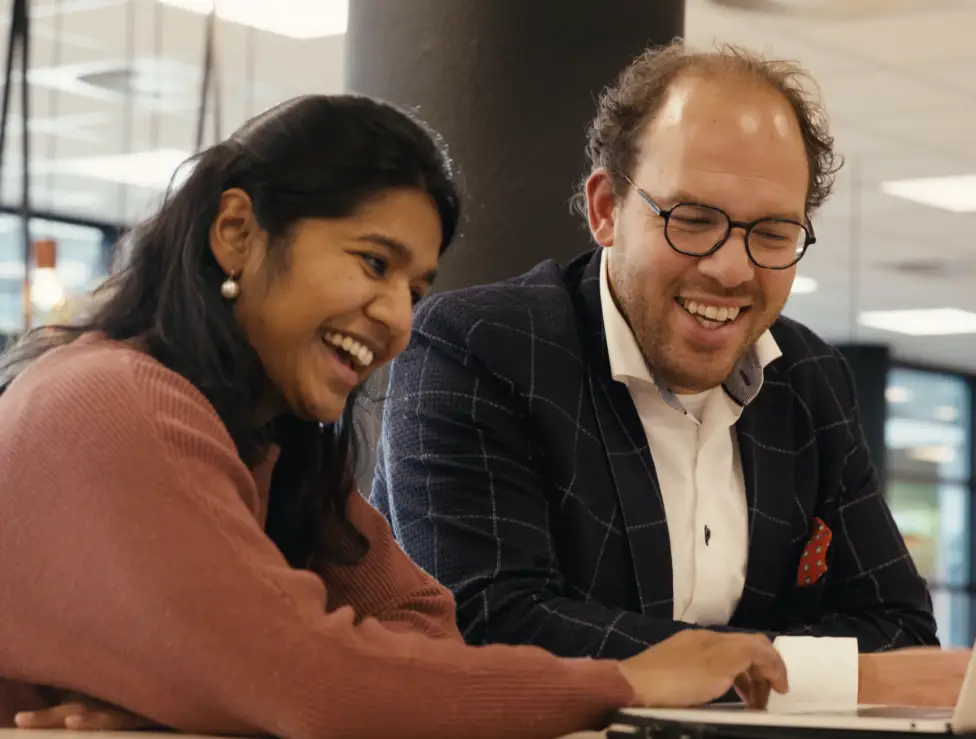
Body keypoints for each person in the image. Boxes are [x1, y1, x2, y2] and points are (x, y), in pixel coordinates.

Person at [0, 94, 793, 739]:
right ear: (237, 232)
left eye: (414, 289)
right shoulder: (114, 400)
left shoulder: (276, 445)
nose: (397, 318)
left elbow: (420, 632)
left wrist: (213, 702)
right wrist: (626, 679)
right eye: (373, 263)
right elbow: (314, 681)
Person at [370, 42, 970, 709]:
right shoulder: (480, 347)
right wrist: (831, 675)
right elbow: (492, 624)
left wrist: (747, 668)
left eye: (773, 233)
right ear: (605, 209)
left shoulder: (809, 378)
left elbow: (898, 626)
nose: (732, 268)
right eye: (693, 220)